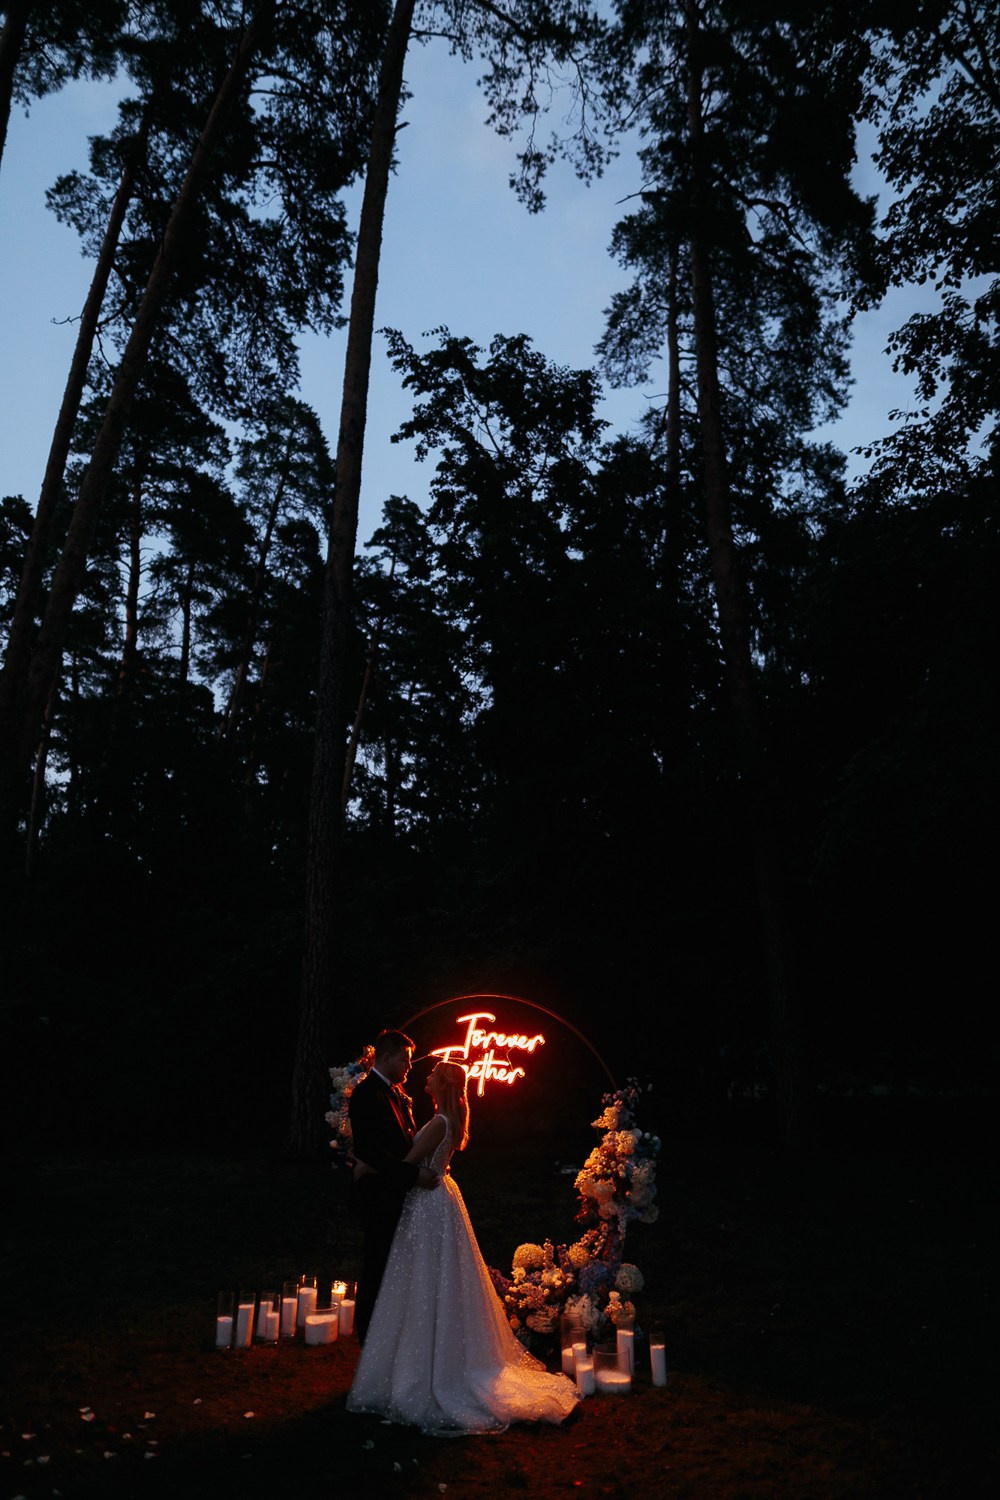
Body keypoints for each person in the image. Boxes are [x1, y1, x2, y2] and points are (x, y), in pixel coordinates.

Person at [347, 1060, 579, 1434]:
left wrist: (366, 1167)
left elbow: (408, 1164)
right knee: (434, 1274)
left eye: (432, 1074)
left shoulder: (440, 1122)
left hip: (429, 1205)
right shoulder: (446, 1120)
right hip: (440, 1199)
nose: (424, 1076)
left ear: (442, 1083)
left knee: (425, 1274)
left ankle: (428, 1366)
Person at [348, 1029, 439, 1345]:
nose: (409, 1066)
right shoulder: (366, 1094)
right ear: (385, 1057)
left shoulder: (397, 1094)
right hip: (378, 1195)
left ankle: (390, 1333)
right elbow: (370, 1151)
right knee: (377, 1263)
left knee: (395, 1266)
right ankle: (368, 1337)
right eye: (404, 1060)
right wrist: (412, 1176)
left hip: (396, 1192)